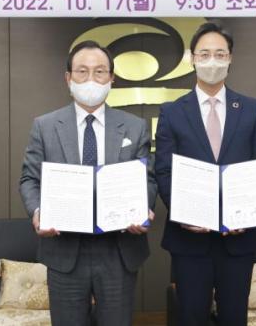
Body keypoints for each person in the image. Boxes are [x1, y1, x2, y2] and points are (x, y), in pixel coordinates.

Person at [19, 40, 157, 326]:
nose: (91, 79)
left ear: (112, 78)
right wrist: (38, 212)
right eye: (82, 71)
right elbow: (29, 179)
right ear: (68, 78)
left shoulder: (134, 126)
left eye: (100, 71)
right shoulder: (45, 126)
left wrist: (143, 208)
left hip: (119, 250)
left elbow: (148, 178)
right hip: (64, 250)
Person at [155, 20, 256, 326]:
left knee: (234, 317)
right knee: (191, 317)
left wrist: (245, 213)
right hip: (189, 240)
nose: (212, 61)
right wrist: (184, 213)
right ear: (192, 58)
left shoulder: (252, 109)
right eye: (205, 54)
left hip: (239, 240)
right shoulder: (172, 112)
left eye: (220, 54)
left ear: (230, 58)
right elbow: (164, 171)